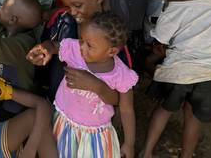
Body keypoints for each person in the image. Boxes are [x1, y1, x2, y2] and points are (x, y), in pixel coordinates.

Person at [142, 0, 211, 158]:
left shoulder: (181, 1)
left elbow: (161, 36)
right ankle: (186, 155)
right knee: (194, 117)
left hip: (178, 72)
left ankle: (147, 151)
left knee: (164, 110)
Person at [36, 12, 138, 158]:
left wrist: (129, 143)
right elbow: (54, 46)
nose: (82, 47)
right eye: (81, 39)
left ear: (112, 51)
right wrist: (45, 49)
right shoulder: (76, 51)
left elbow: (127, 110)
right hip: (64, 122)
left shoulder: (121, 75)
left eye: (89, 45)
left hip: (94, 134)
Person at [27, 0, 124, 103]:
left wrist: (95, 85)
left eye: (77, 5)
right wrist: (46, 48)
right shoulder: (63, 19)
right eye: (68, 6)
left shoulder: (112, 32)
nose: (72, 11)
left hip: (92, 115)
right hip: (59, 104)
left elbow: (121, 94)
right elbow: (52, 43)